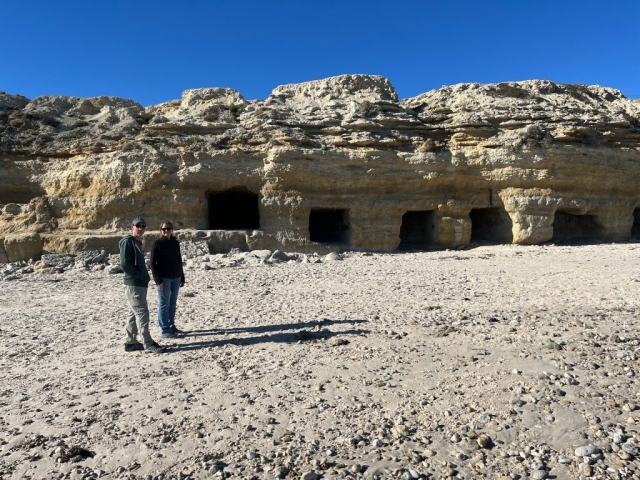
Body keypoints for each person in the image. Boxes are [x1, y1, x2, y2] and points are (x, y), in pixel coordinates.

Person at [119, 217, 165, 354]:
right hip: (134, 284)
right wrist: (139, 275)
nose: (141, 228)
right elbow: (125, 264)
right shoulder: (127, 242)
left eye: (143, 226)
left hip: (139, 283)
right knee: (142, 313)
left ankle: (131, 342)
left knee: (133, 313)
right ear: (132, 227)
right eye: (138, 226)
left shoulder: (137, 242)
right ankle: (148, 343)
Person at [150, 221, 185, 338]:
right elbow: (152, 263)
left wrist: (182, 276)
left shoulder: (175, 242)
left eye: (168, 229)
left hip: (176, 277)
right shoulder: (157, 243)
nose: (166, 231)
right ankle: (165, 331)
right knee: (164, 304)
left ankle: (171, 326)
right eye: (164, 229)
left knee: (172, 304)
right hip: (164, 278)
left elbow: (179, 260)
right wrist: (157, 280)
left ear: (172, 229)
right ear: (160, 231)